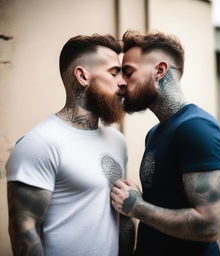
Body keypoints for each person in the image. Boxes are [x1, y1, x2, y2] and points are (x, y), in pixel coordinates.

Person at [6, 34, 135, 256]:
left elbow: (122, 219)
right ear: (82, 76)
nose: (123, 82)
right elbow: (25, 233)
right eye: (113, 73)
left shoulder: (118, 141)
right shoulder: (40, 143)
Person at [111, 31, 220, 256]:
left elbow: (209, 226)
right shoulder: (154, 133)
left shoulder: (197, 128)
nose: (121, 82)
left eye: (128, 72)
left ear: (159, 70)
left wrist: (136, 207)